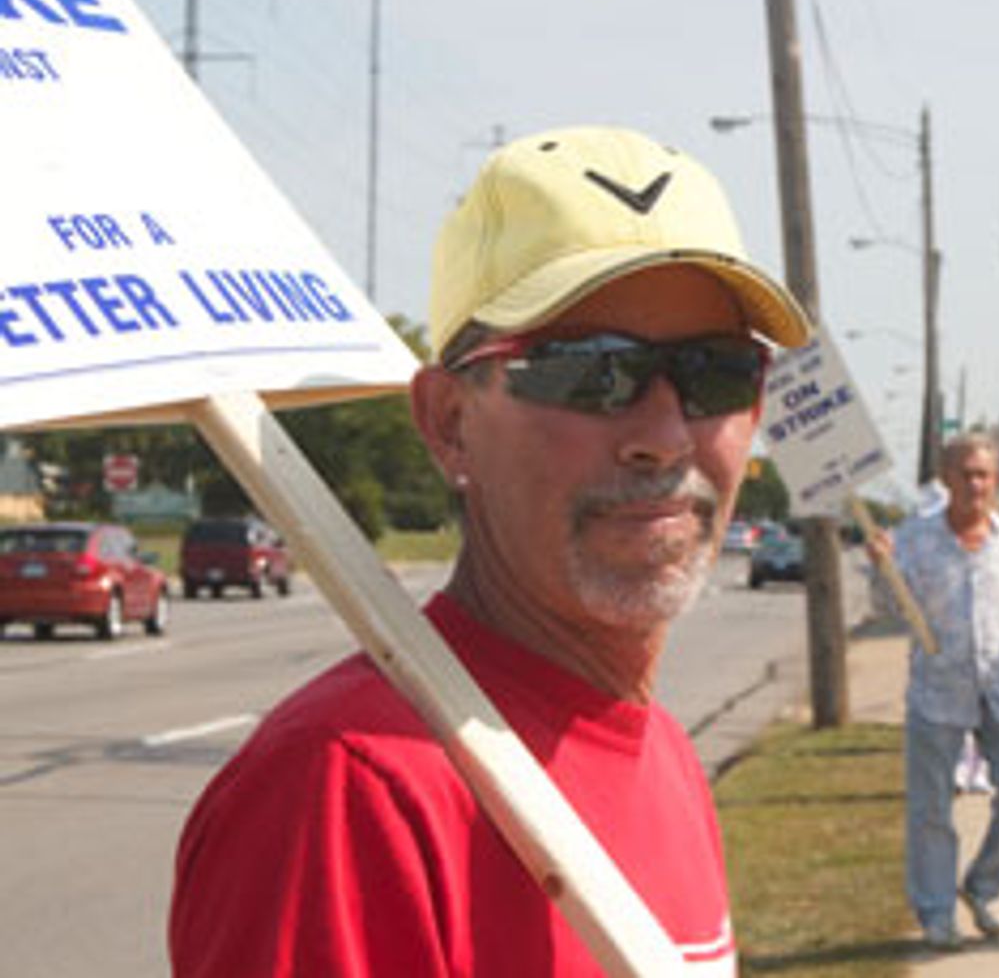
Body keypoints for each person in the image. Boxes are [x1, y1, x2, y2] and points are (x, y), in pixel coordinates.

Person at [168, 125, 815, 975]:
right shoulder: (346, 792)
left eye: (715, 371)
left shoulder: (668, 755)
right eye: (591, 370)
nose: (663, 434)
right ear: (449, 421)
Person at [867, 432, 999, 951]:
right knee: (931, 808)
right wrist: (881, 568)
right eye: (965, 474)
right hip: (937, 693)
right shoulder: (914, 538)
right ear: (946, 478)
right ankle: (936, 912)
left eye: (984, 475)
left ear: (996, 481)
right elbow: (888, 610)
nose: (975, 484)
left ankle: (985, 886)